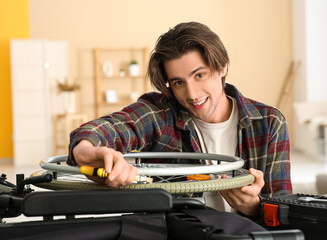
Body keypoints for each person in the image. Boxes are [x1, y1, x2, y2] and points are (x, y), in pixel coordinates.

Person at [67, 22, 292, 219]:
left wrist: (253, 207)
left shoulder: (269, 122)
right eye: (178, 83)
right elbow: (113, 126)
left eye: (199, 75)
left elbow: (287, 213)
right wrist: (85, 149)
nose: (192, 94)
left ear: (222, 66)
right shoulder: (161, 112)